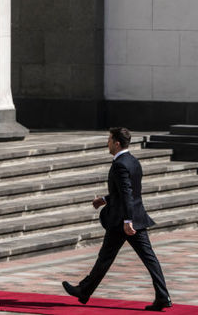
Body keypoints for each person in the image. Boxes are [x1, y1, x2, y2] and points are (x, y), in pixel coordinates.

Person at [62, 127, 172, 311]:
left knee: (106, 258)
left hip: (123, 222)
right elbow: (126, 192)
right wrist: (104, 199)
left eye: (109, 139)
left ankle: (84, 290)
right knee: (146, 258)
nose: (108, 142)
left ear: (117, 143)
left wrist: (128, 221)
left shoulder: (120, 164)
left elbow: (128, 194)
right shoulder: (133, 161)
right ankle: (162, 296)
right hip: (134, 218)